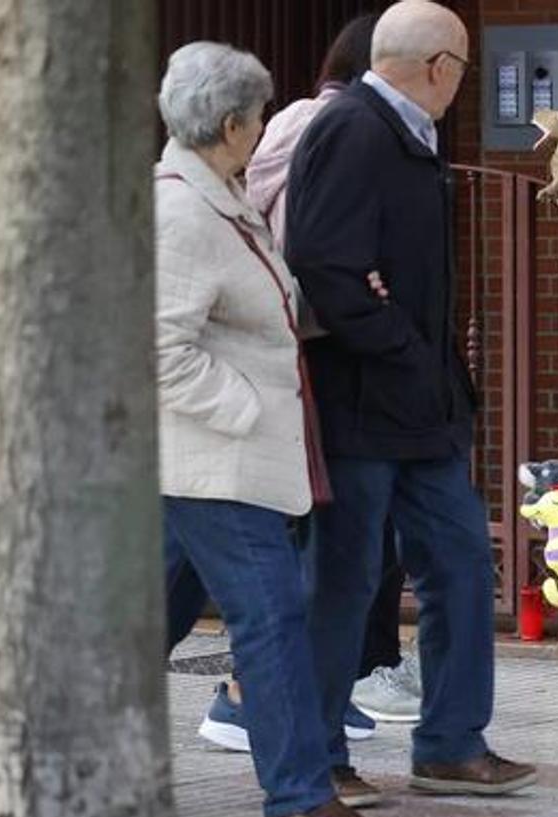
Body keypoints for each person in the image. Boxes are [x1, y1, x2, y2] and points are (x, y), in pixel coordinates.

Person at [286, 0, 536, 795]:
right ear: (439, 67)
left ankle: (451, 744)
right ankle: (320, 756)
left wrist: (429, 370)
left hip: (421, 407)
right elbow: (324, 261)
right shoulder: (353, 127)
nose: (461, 85)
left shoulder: (409, 133)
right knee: (345, 582)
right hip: (362, 406)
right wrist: (396, 343)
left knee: (461, 565)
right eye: (462, 68)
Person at [156, 42, 371, 817]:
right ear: (231, 122)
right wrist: (244, 405)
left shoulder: (222, 195)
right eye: (257, 116)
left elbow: (259, 309)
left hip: (206, 463)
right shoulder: (180, 210)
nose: (264, 128)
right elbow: (155, 349)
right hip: (213, 460)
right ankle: (299, 796)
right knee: (273, 620)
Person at [195, 12, 421, 759]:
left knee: (326, 541)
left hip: (300, 358)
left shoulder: (320, 128)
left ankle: (301, 701)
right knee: (289, 552)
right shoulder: (318, 123)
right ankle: (245, 700)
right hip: (290, 368)